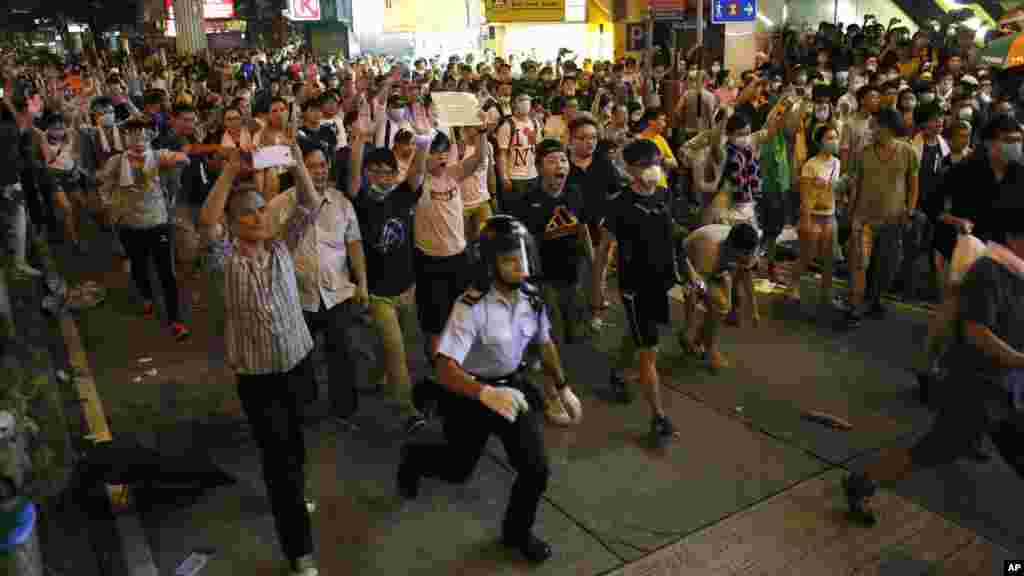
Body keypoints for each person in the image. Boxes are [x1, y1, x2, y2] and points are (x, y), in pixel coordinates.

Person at [397, 215, 581, 564]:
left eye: (523, 257)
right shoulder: (470, 306)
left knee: (535, 469)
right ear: (490, 263)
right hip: (469, 395)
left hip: (512, 389)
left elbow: (545, 343)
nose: (521, 267)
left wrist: (562, 386)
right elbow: (445, 368)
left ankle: (516, 533)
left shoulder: (533, 298)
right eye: (510, 260)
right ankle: (415, 457)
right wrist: (484, 394)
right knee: (457, 469)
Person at [843, 201, 1024, 527]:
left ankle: (862, 481)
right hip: (975, 389)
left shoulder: (1016, 274)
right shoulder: (988, 272)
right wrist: (1019, 360)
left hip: (1004, 394)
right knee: (933, 450)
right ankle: (862, 481)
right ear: (1013, 237)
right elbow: (976, 333)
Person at [198, 137, 322, 576]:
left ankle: (293, 491)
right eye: (247, 213)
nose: (257, 217)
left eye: (262, 209)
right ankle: (299, 549)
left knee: (296, 445)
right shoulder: (226, 261)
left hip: (298, 365)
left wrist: (293, 158)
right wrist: (232, 170)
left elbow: (309, 203)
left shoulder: (283, 246)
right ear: (233, 225)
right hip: (258, 377)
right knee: (279, 461)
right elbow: (206, 222)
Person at [592, 139, 680, 446]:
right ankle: (659, 417)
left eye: (655, 162)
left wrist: (688, 275)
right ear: (629, 169)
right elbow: (603, 252)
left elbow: (673, 238)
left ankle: (617, 372)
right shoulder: (618, 204)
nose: (652, 169)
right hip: (635, 288)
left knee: (640, 337)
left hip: (661, 282)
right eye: (644, 165)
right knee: (649, 352)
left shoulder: (666, 195)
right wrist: (597, 291)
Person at [97, 115, 192, 341]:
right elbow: (103, 186)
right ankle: (147, 297)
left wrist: (176, 159)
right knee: (138, 265)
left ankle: (175, 320)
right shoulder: (117, 162)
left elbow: (184, 160)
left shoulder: (157, 157)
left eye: (143, 134)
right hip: (129, 226)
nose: (138, 139)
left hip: (158, 223)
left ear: (150, 136)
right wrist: (113, 207)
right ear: (126, 137)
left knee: (167, 272)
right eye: (133, 134)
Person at [679, 223, 761, 372]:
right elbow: (692, 289)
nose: (746, 258)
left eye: (747, 255)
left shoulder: (750, 250)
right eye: (741, 256)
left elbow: (746, 276)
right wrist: (689, 325)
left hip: (717, 268)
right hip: (689, 264)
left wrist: (754, 309)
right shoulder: (709, 250)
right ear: (731, 247)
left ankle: (699, 341)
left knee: (723, 307)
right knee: (718, 304)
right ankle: (704, 345)